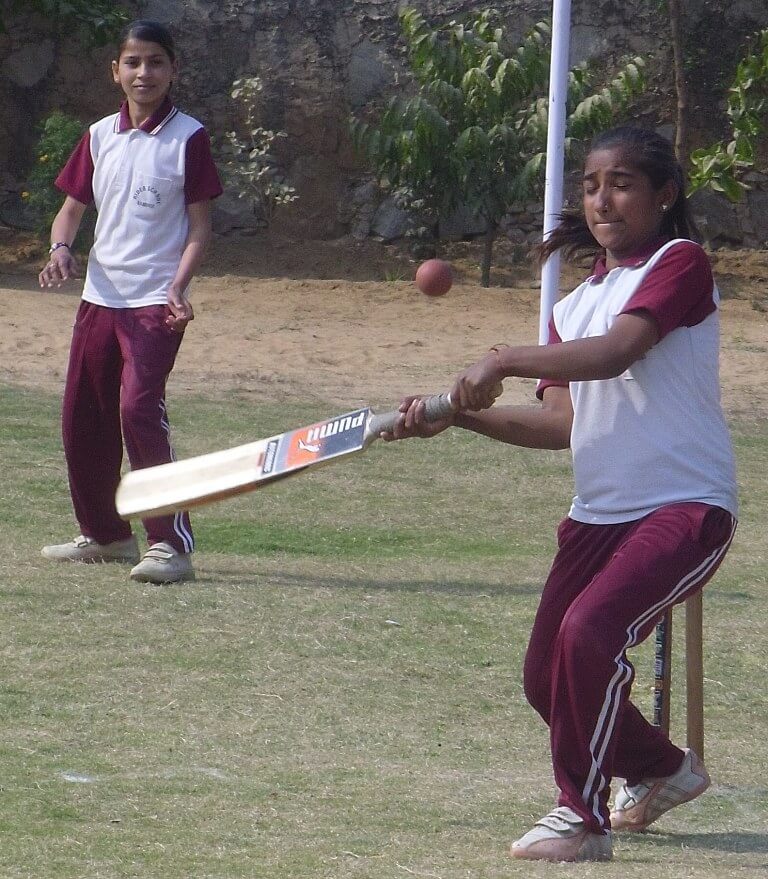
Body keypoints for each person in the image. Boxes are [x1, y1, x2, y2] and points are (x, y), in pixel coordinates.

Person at [384, 126, 738, 862]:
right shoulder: (574, 306)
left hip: (685, 506)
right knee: (546, 678)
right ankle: (662, 768)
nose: (602, 200)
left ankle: (580, 818)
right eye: (591, 185)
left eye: (622, 184)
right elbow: (560, 424)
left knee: (589, 634)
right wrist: (458, 419)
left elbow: (617, 353)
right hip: (597, 515)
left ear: (664, 195)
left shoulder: (680, 262)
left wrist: (502, 358)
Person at [39, 19, 223, 584]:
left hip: (154, 305)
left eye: (156, 62)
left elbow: (199, 229)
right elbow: (71, 210)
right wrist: (60, 249)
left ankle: (170, 545)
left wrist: (178, 286)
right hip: (100, 299)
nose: (145, 73)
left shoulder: (189, 137)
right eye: (134, 62)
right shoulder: (99, 135)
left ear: (173, 70)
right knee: (83, 418)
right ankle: (106, 535)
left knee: (138, 409)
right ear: (115, 71)